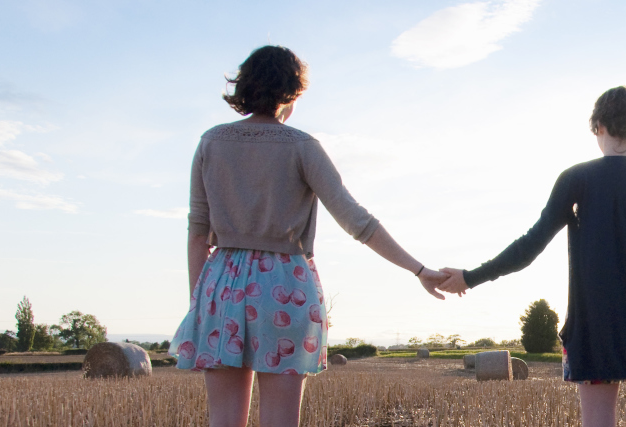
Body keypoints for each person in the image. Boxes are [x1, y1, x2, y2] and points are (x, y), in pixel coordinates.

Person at [168, 45, 449, 427]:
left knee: (223, 420)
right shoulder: (302, 146)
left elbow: (197, 230)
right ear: (292, 92)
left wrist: (198, 302)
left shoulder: (211, 142)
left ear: (245, 86)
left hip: (222, 286)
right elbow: (358, 222)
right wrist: (417, 269)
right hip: (284, 287)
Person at [438, 86, 626, 427]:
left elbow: (530, 246)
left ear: (597, 125)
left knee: (598, 421)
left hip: (596, 320)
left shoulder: (576, 180)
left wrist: (472, 276)